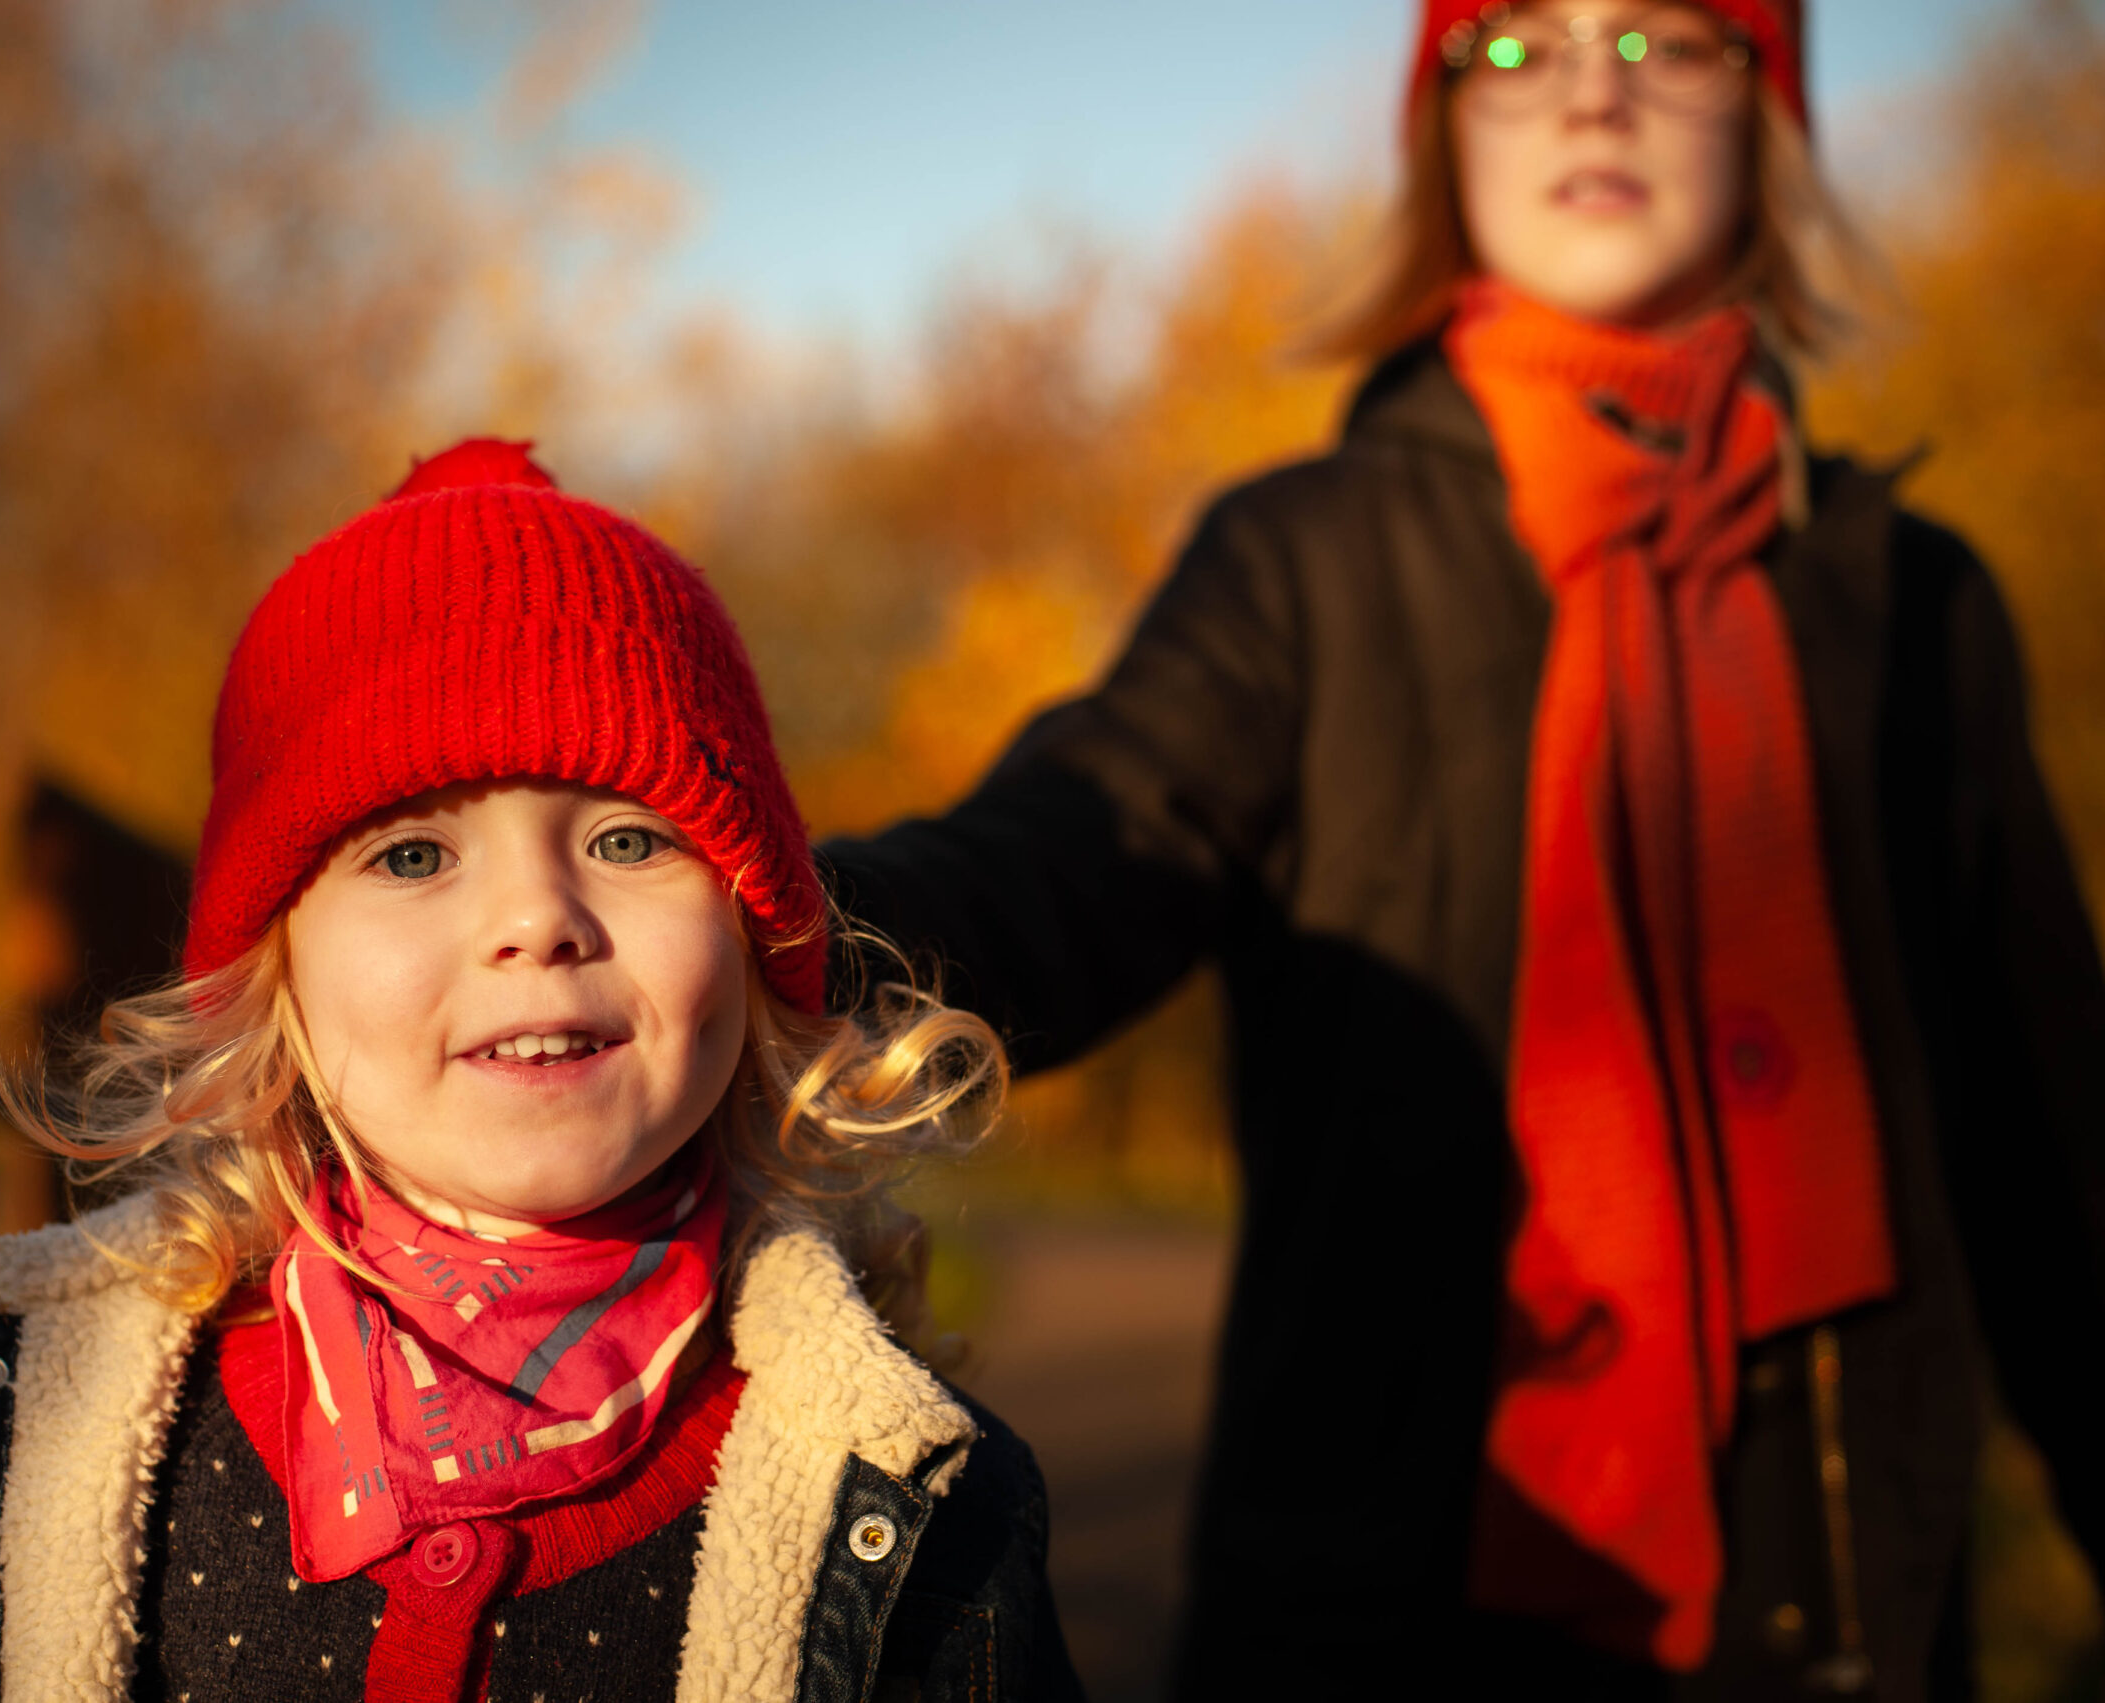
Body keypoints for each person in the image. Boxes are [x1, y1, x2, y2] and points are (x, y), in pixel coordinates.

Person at [819, 2, 2105, 1697]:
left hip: (1844, 1617)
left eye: (1671, 39)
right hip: (1380, 1625)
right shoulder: (1306, 560)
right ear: (1443, 138)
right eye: (1513, 43)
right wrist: (724, 901)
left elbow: (2056, 1152)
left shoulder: (1918, 604)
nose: (1591, 93)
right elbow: (1061, 857)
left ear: (1770, 120)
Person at [0, 440, 1084, 1703]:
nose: (537, 918)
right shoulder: (48, 1431)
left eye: (629, 839)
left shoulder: (927, 1508)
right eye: (414, 856)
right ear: (275, 981)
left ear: (756, 947)